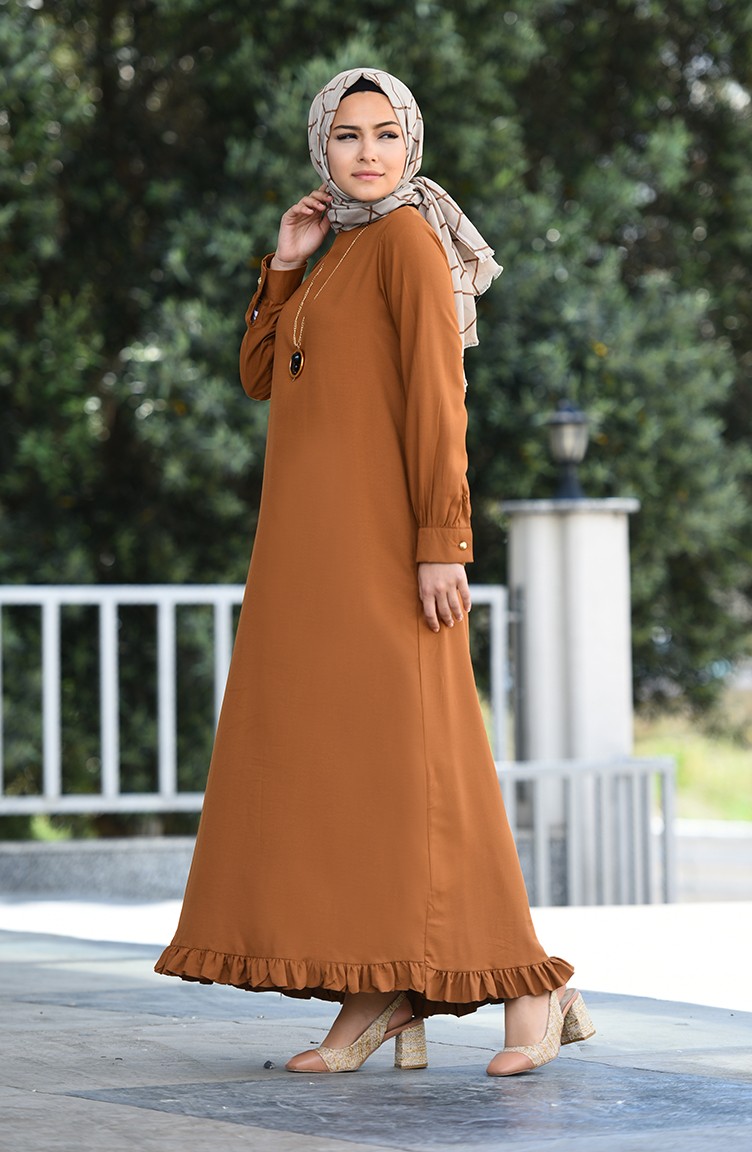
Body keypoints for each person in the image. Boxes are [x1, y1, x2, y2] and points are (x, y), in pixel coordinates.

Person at [155, 67, 594, 1077]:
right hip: (309, 559)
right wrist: (283, 263)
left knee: (431, 766)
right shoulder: (336, 249)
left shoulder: (404, 241)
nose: (366, 152)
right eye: (347, 134)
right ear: (322, 147)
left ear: (411, 145)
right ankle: (379, 988)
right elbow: (261, 375)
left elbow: (440, 399)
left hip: (389, 553)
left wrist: (442, 541)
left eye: (385, 133)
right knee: (356, 777)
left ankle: (534, 986)